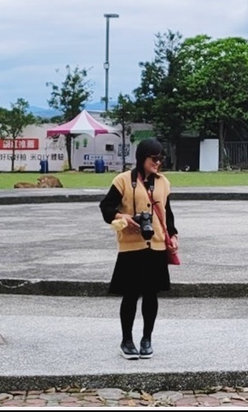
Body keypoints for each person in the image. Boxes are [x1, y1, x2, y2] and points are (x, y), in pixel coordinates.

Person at [98, 137, 178, 359]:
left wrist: (173, 235)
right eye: (154, 158)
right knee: (131, 295)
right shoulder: (123, 180)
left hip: (157, 247)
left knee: (151, 295)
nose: (158, 163)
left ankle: (147, 339)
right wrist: (121, 216)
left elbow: (167, 213)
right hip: (131, 247)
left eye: (161, 158)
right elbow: (105, 207)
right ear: (143, 158)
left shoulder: (163, 182)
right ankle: (126, 340)